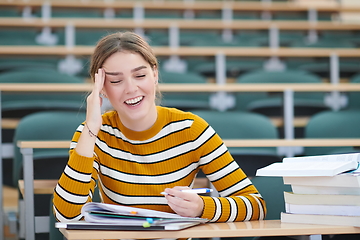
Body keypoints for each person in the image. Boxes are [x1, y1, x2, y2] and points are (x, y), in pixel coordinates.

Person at [52, 31, 266, 223]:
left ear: (155, 74)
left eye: (140, 75)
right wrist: (91, 128)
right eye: (116, 81)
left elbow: (256, 205)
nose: (131, 88)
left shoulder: (192, 129)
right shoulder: (92, 134)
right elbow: (67, 215)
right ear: (102, 88)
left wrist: (203, 208)